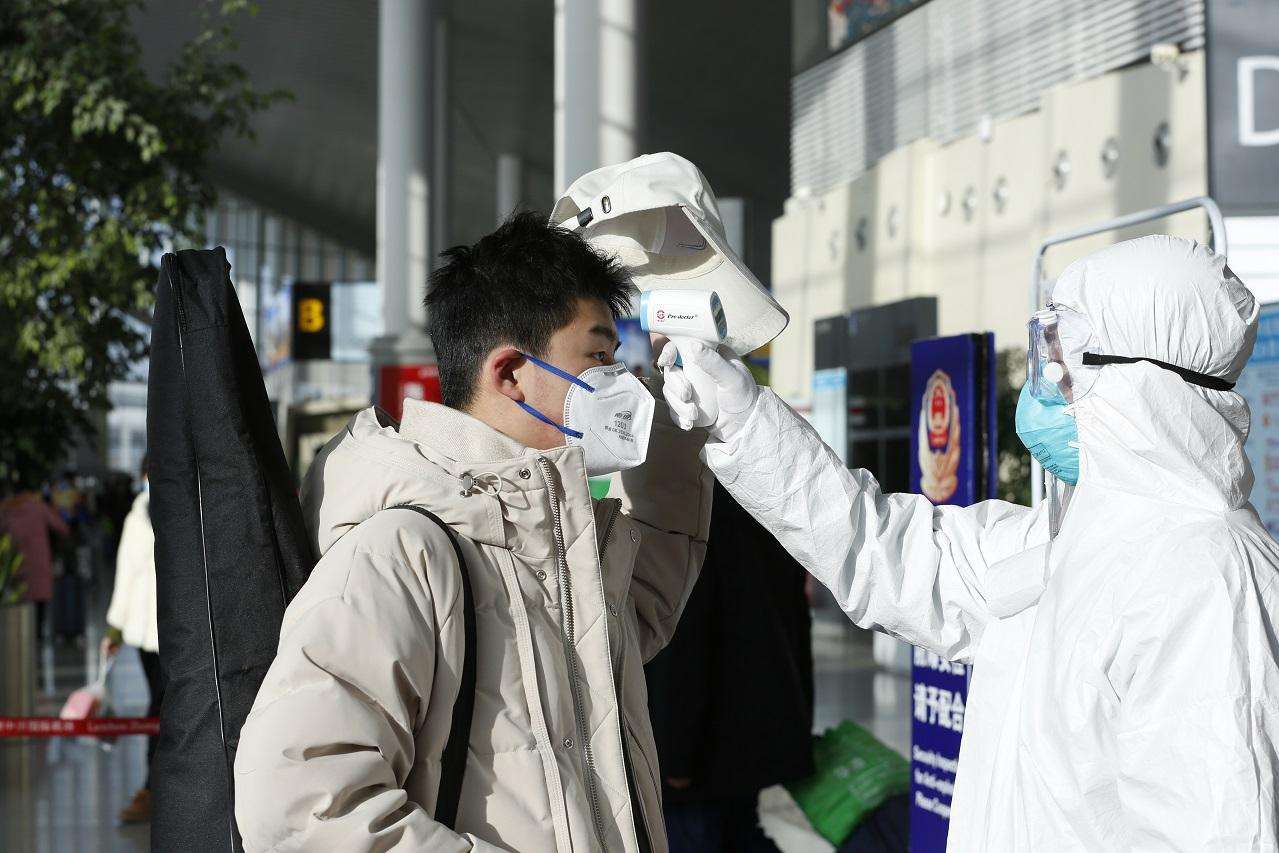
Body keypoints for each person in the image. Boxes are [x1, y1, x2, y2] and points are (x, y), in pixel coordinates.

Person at [659, 235, 1279, 849]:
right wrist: (740, 417)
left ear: (1137, 382)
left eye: (1059, 357)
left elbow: (1220, 832)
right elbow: (880, 547)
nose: (1042, 385)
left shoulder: (1207, 580)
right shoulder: (1063, 544)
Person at [234, 211, 713, 852]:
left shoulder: (555, 548)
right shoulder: (403, 549)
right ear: (510, 372)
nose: (617, 380)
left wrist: (675, 431)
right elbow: (302, 801)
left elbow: (649, 601)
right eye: (599, 356)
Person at [645, 481, 813, 853]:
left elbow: (684, 645)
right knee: (740, 830)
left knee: (701, 835)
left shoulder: (690, 515)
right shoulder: (766, 507)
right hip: (751, 730)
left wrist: (677, 756)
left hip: (701, 750)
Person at [101, 456, 160, 824]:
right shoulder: (136, 519)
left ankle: (156, 786)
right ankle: (152, 788)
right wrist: (115, 629)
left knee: (165, 707)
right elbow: (125, 574)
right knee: (159, 707)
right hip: (144, 632)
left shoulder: (189, 510)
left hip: (179, 631)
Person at [0, 480, 69, 638]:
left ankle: (18, 641)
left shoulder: (5, 510)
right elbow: (62, 527)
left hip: (14, 569)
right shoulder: (38, 507)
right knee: (39, 611)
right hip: (39, 566)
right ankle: (35, 643)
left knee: (16, 609)